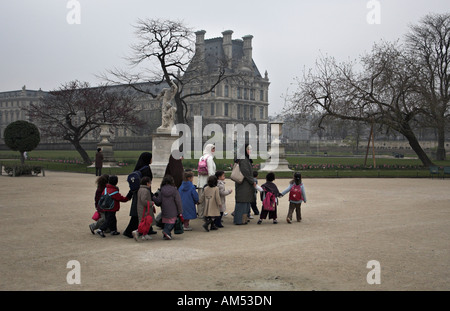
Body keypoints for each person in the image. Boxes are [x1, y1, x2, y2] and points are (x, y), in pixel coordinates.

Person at [123, 152, 154, 239]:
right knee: (140, 212)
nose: (152, 160)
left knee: (142, 211)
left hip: (137, 192)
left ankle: (148, 228)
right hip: (144, 192)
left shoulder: (139, 167)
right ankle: (129, 231)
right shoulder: (146, 169)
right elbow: (148, 182)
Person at [152, 175, 183, 240]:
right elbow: (178, 202)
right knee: (172, 222)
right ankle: (166, 231)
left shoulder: (162, 190)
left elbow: (159, 200)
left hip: (164, 210)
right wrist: (180, 212)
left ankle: (167, 234)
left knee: (166, 222)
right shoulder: (174, 190)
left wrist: (154, 198)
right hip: (173, 210)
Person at [233, 144, 255, 225]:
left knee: (245, 202)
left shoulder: (243, 157)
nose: (250, 151)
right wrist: (252, 181)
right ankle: (239, 220)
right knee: (242, 202)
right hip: (244, 183)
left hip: (244, 183)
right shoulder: (244, 159)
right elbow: (245, 172)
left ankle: (243, 219)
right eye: (249, 149)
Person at [132, 177, 155, 241]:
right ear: (147, 183)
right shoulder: (145, 190)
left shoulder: (141, 189)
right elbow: (144, 201)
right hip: (145, 209)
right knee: (145, 222)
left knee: (144, 222)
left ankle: (144, 234)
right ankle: (137, 232)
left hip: (142, 208)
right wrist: (151, 203)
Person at [197, 144, 216, 217]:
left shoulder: (201, 157)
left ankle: (200, 214)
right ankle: (206, 214)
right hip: (207, 182)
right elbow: (211, 172)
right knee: (207, 199)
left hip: (201, 182)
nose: (214, 151)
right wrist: (213, 182)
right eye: (213, 149)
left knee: (200, 199)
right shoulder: (210, 158)